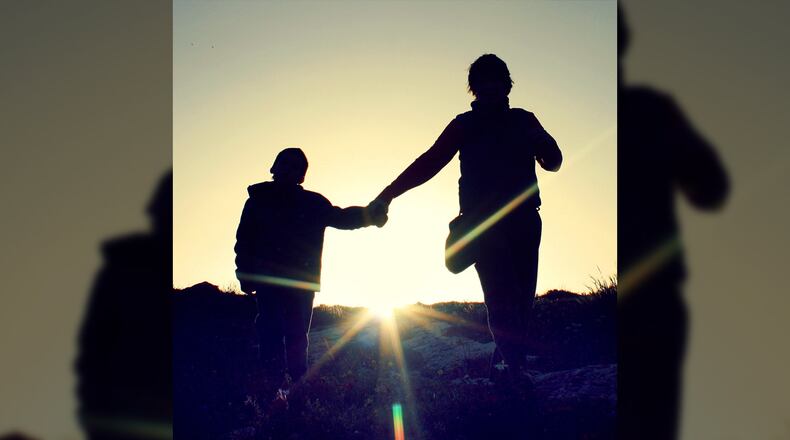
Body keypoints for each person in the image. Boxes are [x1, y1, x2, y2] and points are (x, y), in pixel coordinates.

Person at [371, 54, 562, 380]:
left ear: (506, 85)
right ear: (474, 88)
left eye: (496, 80)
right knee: (501, 297)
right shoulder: (464, 124)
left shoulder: (524, 119)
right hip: (482, 226)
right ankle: (513, 368)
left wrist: (545, 144)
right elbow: (429, 162)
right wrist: (388, 194)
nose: (490, 87)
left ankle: (505, 367)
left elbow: (553, 162)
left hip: (525, 222)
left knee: (521, 301)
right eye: (483, 82)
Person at [617, 7, 729, 440]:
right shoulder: (654, 111)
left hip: (653, 292)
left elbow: (710, 188)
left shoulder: (654, 111)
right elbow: (711, 189)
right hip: (656, 292)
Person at [234, 148, 385, 389]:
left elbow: (342, 218)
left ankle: (296, 389)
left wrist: (370, 215)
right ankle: (273, 390)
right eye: (285, 164)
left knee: (296, 336)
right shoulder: (257, 201)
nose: (289, 170)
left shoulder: (313, 203)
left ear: (302, 176)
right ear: (274, 168)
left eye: (295, 167)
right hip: (269, 282)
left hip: (301, 284)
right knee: (271, 334)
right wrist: (244, 274)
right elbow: (244, 241)